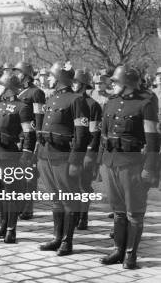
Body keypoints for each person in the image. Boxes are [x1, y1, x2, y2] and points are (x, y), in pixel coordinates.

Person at [99, 65, 159, 269]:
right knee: (118, 211)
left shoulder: (146, 103)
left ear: (126, 84)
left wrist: (150, 168)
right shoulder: (111, 102)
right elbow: (104, 135)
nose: (112, 85)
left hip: (133, 165)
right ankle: (118, 250)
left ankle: (131, 255)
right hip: (111, 162)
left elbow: (152, 139)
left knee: (134, 212)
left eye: (116, 82)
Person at [37, 62, 90, 256]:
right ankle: (57, 237)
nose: (47, 79)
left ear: (59, 78)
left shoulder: (77, 100)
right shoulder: (51, 99)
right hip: (46, 154)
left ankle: (67, 241)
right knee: (55, 198)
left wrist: (75, 161)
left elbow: (82, 134)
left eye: (50, 76)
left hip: (63, 156)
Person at [0, 73, 35, 243]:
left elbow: (28, 134)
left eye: (0, 84)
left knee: (11, 193)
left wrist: (26, 154)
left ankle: (11, 229)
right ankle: (1, 226)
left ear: (9, 87)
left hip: (9, 155)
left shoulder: (22, 107)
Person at [14, 61, 46, 220]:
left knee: (29, 173)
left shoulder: (36, 93)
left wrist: (38, 140)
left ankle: (28, 207)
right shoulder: (17, 91)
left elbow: (39, 118)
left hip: (30, 138)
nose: (16, 75)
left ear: (26, 75)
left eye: (18, 72)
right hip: (16, 137)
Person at [72, 69, 102, 230]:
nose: (73, 84)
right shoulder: (72, 101)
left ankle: (83, 216)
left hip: (87, 151)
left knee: (84, 185)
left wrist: (90, 154)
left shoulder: (93, 105)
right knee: (72, 184)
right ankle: (74, 214)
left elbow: (94, 134)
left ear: (84, 85)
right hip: (72, 149)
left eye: (76, 82)